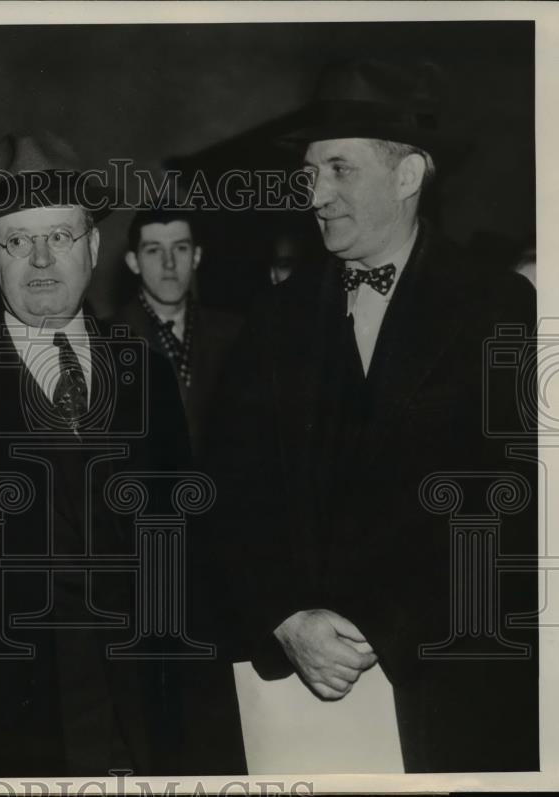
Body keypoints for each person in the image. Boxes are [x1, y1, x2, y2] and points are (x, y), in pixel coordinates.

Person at [0, 132, 245, 776]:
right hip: (11, 736)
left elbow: (191, 559)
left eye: (61, 237)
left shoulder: (146, 376)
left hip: (152, 724)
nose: (42, 260)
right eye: (19, 240)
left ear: (94, 247)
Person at [208, 60, 538, 773]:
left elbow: (510, 503)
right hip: (300, 688)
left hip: (448, 684)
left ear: (409, 173)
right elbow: (231, 495)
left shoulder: (498, 308)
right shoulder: (273, 319)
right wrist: (286, 618)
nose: (315, 194)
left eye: (337, 169)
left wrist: (380, 630)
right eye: (309, 172)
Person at [114, 209, 242, 462]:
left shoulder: (235, 334)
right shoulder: (105, 339)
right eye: (153, 250)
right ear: (133, 262)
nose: (169, 263)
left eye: (180, 248)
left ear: (196, 256)